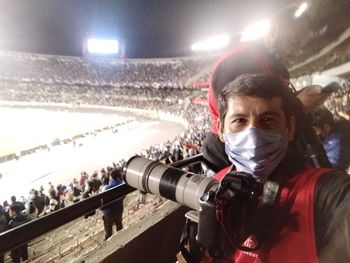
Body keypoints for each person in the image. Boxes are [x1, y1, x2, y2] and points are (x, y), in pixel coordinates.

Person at [202, 74, 350, 262]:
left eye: (268, 120)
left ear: (290, 128)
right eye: (240, 121)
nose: (253, 135)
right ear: (221, 130)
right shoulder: (214, 185)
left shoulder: (327, 192)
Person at [202, 6, 331, 173]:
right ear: (273, 30)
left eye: (301, 46)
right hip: (229, 157)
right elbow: (245, 115)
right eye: (293, 42)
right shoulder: (242, 60)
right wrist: (300, 104)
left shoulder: (267, 62)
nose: (297, 51)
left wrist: (299, 97)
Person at [310, 106, 350, 171]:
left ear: (327, 128)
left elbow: (327, 171)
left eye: (315, 131)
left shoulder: (338, 146)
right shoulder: (335, 135)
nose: (312, 134)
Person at [100, 168, 125, 240]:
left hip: (108, 213)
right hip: (119, 210)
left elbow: (102, 203)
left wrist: (102, 210)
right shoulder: (122, 185)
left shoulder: (106, 188)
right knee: (119, 227)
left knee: (109, 233)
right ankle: (122, 240)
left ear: (111, 177)